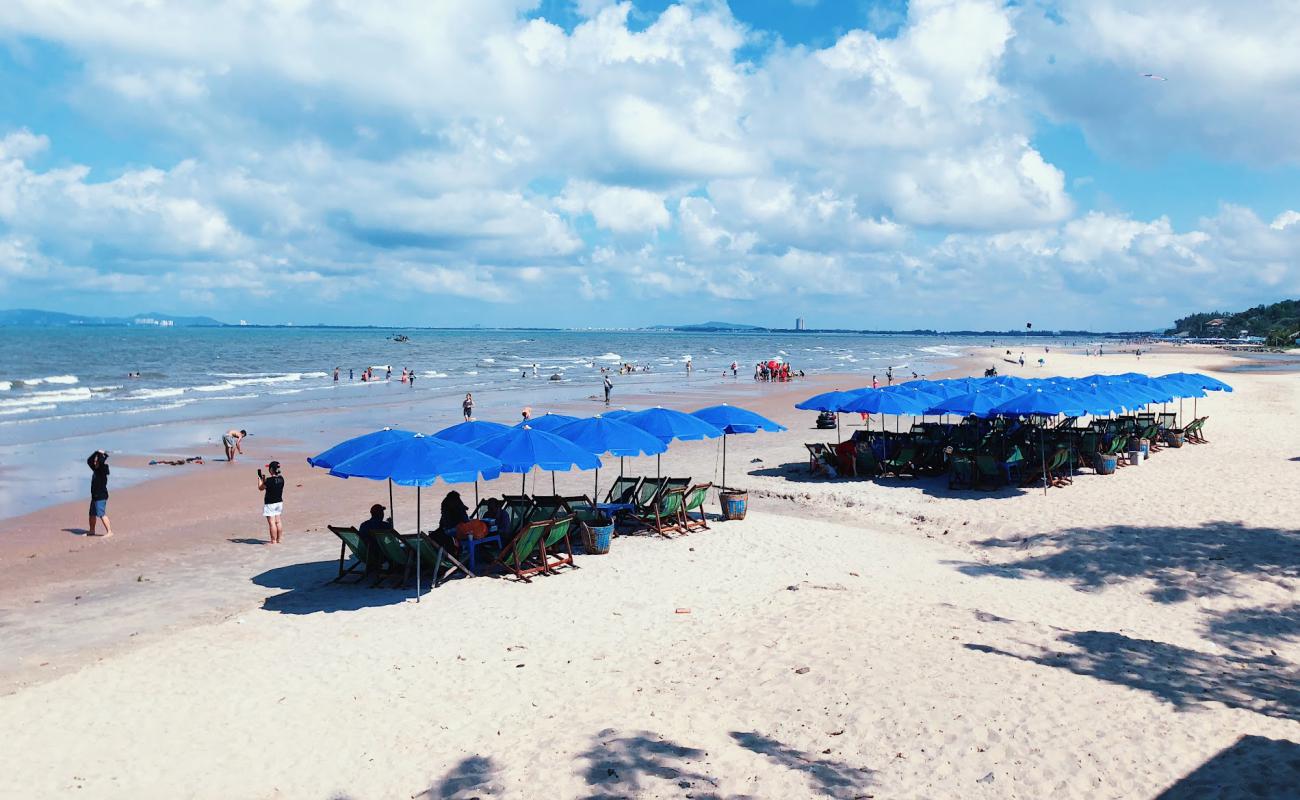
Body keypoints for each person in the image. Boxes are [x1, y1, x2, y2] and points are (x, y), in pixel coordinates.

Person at [357, 503, 392, 573]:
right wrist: (390, 525)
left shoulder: (363, 525)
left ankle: (371, 565)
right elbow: (389, 541)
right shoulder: (384, 526)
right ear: (381, 514)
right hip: (379, 554)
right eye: (382, 512)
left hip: (364, 554)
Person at [86, 450, 113, 537]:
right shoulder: (96, 468)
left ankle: (109, 532)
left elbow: (101, 462)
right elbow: (89, 461)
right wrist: (96, 452)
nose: (94, 462)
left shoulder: (102, 469)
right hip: (94, 496)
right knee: (92, 514)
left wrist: (101, 454)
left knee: (101, 514)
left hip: (101, 496)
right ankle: (92, 530)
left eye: (96, 461)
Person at [258, 461, 285, 544]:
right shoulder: (281, 479)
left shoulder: (268, 480)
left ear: (271, 470)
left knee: (272, 523)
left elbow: (260, 488)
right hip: (279, 502)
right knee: (278, 521)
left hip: (270, 503)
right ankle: (279, 539)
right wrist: (264, 480)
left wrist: (260, 479)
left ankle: (273, 540)